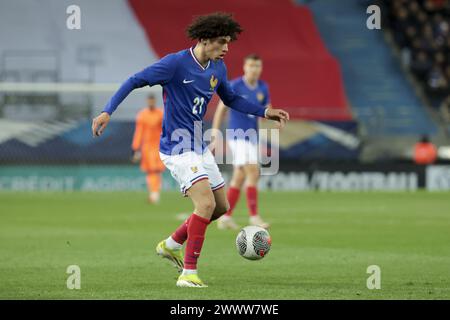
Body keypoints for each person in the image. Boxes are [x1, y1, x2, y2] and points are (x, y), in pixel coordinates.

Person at [91, 12, 289, 288]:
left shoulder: (218, 68)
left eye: (229, 43)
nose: (227, 48)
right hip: (176, 147)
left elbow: (231, 99)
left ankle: (170, 244)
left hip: (198, 145)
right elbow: (134, 80)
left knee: (220, 207)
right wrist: (106, 111)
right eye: (222, 42)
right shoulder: (175, 64)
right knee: (205, 204)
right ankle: (188, 274)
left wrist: (265, 111)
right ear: (205, 40)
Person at [211, 54, 271, 230]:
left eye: (257, 66)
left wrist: (274, 118)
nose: (254, 69)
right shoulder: (235, 85)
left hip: (252, 137)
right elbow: (222, 109)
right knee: (253, 172)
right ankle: (254, 216)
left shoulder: (263, 87)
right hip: (237, 136)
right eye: (251, 65)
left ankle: (225, 217)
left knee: (238, 178)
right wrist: (215, 130)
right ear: (245, 67)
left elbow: (267, 110)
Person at [131, 94, 164, 204]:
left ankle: (155, 194)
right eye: (149, 100)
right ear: (147, 101)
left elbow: (165, 130)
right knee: (150, 171)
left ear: (155, 101)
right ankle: (154, 193)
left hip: (158, 146)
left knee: (155, 170)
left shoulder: (160, 114)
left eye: (152, 100)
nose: (151, 102)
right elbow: (138, 133)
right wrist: (136, 149)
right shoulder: (142, 115)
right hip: (146, 147)